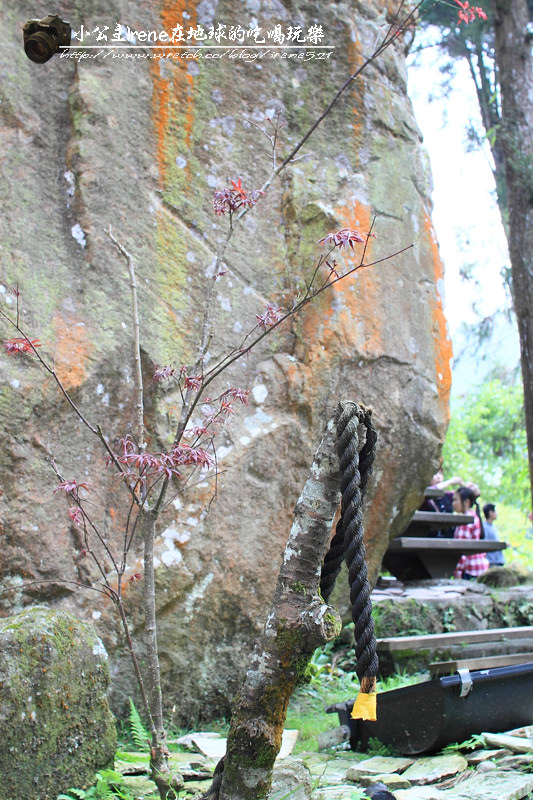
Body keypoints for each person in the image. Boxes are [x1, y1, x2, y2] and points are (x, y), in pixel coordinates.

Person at [452, 486, 489, 580]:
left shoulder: (465, 520)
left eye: (455, 500)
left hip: (469, 569)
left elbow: (461, 548)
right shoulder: (474, 516)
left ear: (466, 502)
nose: (453, 503)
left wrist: (457, 570)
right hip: (478, 566)